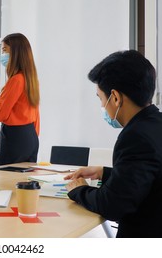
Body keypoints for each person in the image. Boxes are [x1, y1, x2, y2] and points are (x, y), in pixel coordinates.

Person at [64, 50, 162, 238]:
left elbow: (112, 205)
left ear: (115, 97)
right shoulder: (155, 124)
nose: (102, 106)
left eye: (101, 98)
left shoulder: (135, 137)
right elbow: (147, 179)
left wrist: (78, 190)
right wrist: (104, 172)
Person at [0, 33, 40, 166]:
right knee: (24, 180)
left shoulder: (16, 80)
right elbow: (36, 115)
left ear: (15, 52)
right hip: (30, 136)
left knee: (7, 178)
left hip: (15, 138)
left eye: (4, 50)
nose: (2, 55)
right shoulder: (31, 79)